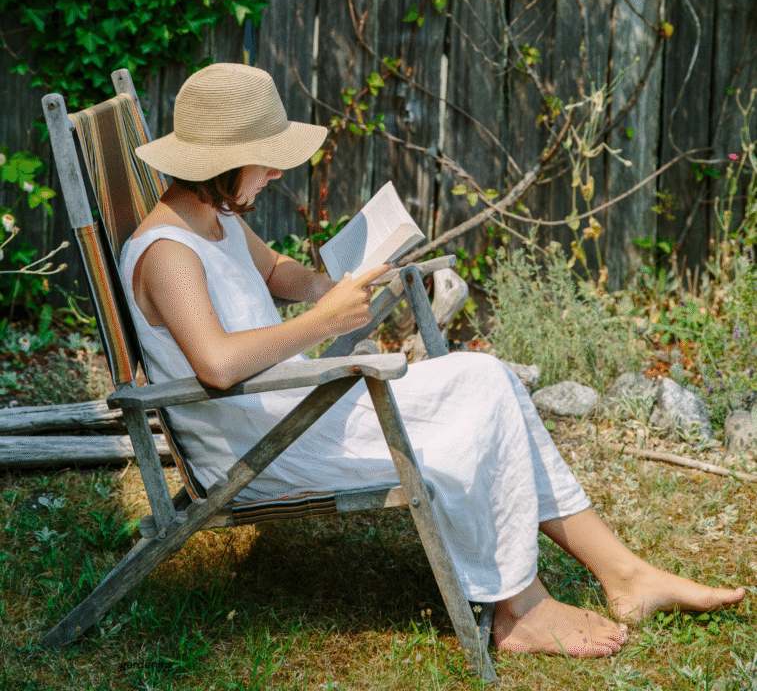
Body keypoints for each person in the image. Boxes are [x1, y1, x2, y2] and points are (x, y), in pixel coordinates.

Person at [120, 63, 745, 658]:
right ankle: (521, 610)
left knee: (488, 378)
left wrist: (326, 286)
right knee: (471, 414)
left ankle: (625, 574)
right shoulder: (169, 253)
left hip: (285, 410)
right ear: (222, 161)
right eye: (267, 160)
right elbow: (217, 365)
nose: (279, 174)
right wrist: (324, 321)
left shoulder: (214, 215)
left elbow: (272, 269)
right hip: (261, 447)